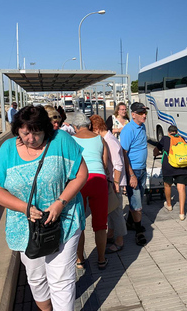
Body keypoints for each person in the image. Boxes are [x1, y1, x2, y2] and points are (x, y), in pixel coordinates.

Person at [0, 105, 88, 311]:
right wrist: (24, 207)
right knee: (36, 278)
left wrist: (60, 203)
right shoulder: (7, 149)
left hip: (64, 220)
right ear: (18, 130)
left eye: (37, 133)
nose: (31, 139)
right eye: (25, 133)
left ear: (47, 129)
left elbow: (81, 174)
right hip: (26, 227)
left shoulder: (61, 140)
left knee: (60, 279)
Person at [70, 113, 109, 270]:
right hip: (99, 180)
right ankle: (101, 259)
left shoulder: (71, 140)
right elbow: (105, 163)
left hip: (79, 181)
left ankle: (79, 259)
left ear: (75, 127)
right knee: (100, 224)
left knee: (80, 223)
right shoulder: (100, 139)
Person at [90, 115, 127, 253]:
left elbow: (118, 164)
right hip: (112, 180)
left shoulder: (109, 141)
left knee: (116, 211)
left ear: (97, 128)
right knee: (111, 210)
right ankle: (111, 234)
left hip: (114, 181)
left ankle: (119, 240)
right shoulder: (107, 139)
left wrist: (116, 183)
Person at [120, 102, 149, 246]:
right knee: (137, 203)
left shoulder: (142, 126)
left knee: (137, 199)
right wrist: (130, 175)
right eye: (141, 113)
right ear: (133, 114)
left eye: (145, 113)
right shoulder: (128, 130)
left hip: (142, 169)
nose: (144, 115)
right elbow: (124, 153)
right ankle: (139, 232)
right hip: (134, 171)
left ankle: (131, 222)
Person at [153, 125, 187, 221]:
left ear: (169, 132)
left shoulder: (165, 138)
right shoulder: (182, 138)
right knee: (181, 188)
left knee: (167, 185)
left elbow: (155, 151)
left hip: (168, 165)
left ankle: (169, 205)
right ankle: (182, 213)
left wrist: (157, 153)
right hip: (182, 165)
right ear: (177, 132)